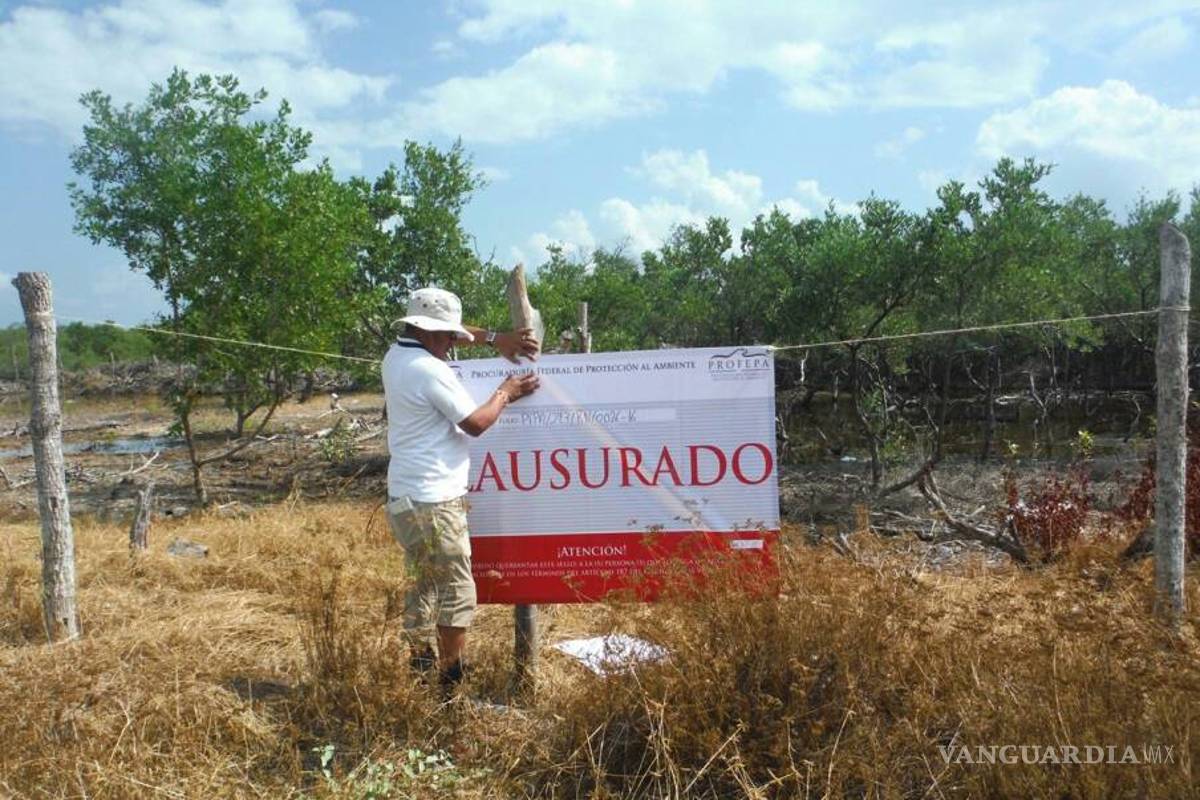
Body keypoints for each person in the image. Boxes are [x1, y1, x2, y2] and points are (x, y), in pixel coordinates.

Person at [383, 287, 539, 692]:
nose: (453, 343)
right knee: (456, 588)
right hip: (435, 500)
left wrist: (492, 338)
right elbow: (475, 423)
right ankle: (450, 684)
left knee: (422, 584)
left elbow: (448, 332)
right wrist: (507, 392)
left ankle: (419, 675)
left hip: (405, 497)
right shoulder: (429, 370)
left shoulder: (397, 355)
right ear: (428, 331)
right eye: (448, 335)